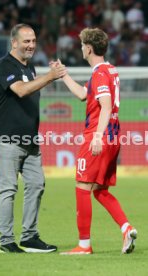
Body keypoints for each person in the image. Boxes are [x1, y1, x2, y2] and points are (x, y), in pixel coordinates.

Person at [54, 28, 137, 254]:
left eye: (82, 45)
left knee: (82, 187)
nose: (81, 48)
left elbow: (107, 106)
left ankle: (84, 245)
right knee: (100, 190)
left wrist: (97, 136)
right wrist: (63, 75)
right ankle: (126, 228)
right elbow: (84, 95)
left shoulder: (100, 73)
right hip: (114, 136)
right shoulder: (110, 70)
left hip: (97, 135)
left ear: (88, 48)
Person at [0, 23, 66, 254]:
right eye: (26, 41)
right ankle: (6, 241)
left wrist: (49, 76)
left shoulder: (29, 68)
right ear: (14, 42)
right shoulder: (5, 65)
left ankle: (29, 237)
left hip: (30, 141)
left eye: (33, 41)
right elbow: (21, 90)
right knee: (8, 188)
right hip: (6, 138)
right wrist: (50, 76)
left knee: (36, 184)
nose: (31, 45)